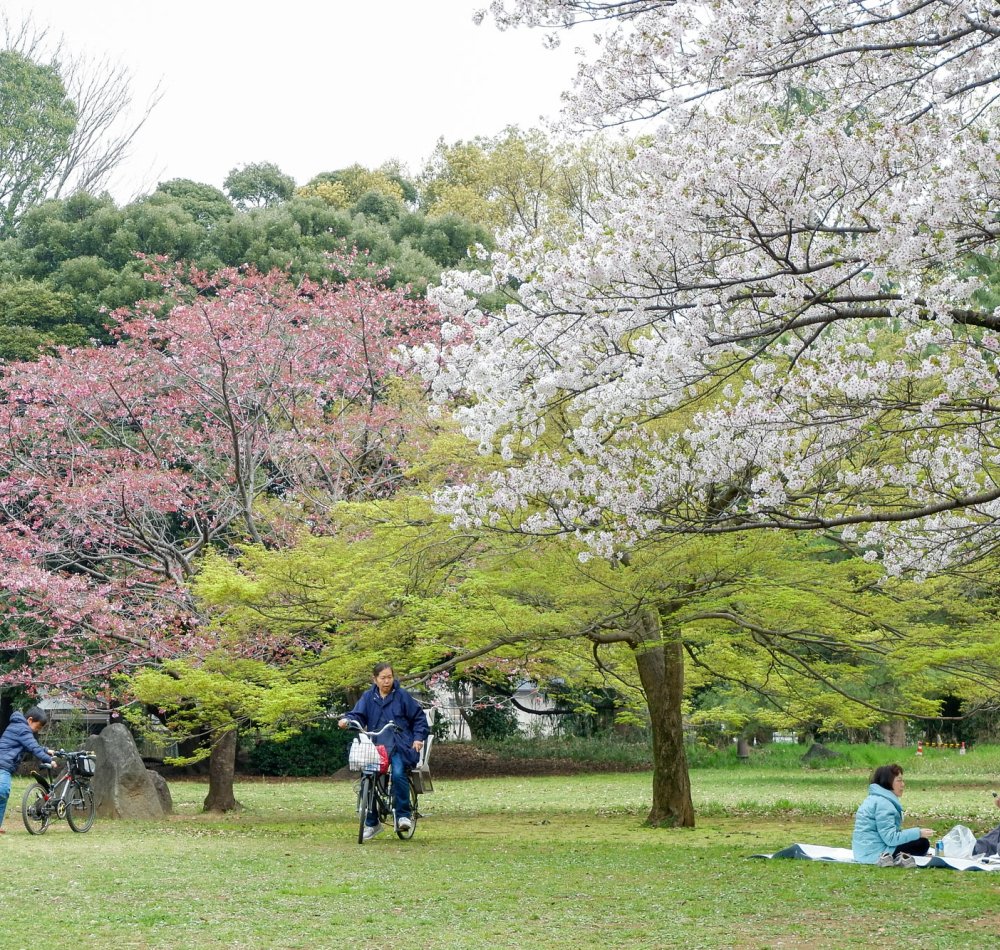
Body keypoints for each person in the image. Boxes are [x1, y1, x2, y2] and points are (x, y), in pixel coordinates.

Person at [338, 663, 428, 840]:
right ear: (375, 679)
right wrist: (347, 720)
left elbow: (419, 718)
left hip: (399, 744)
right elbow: (357, 714)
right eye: (383, 678)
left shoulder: (401, 696)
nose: (387, 681)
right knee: (367, 779)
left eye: (389, 677)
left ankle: (403, 814)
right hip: (376, 747)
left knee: (399, 772)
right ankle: (372, 822)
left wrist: (418, 738)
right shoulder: (368, 697)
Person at [852, 763, 934, 866]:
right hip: (875, 853)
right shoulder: (884, 804)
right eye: (899, 781)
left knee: (918, 841)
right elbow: (891, 838)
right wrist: (918, 832)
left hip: (863, 852)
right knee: (922, 843)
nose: (903, 784)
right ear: (887, 783)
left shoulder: (874, 799)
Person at [0, 705, 56, 834]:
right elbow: (33, 747)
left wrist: (46, 750)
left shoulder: (18, 727)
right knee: (2, 791)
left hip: (4, 765)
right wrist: (49, 760)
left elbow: (30, 745)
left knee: (3, 795)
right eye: (38, 727)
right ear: (30, 720)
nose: (37, 731)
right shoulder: (22, 729)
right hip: (2, 764)